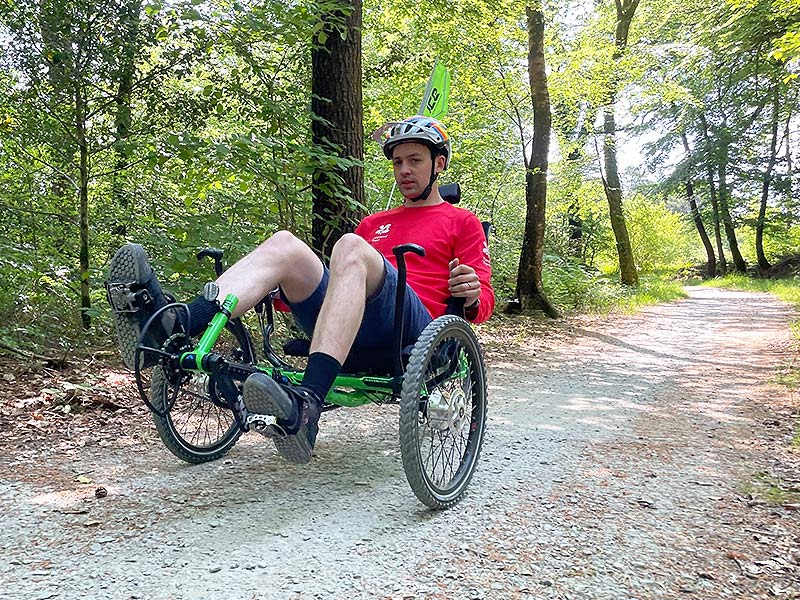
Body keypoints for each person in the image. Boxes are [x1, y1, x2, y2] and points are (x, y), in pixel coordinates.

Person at [107, 115, 494, 465]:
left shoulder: (462, 222)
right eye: (397, 162)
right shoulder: (375, 222)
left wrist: (473, 292)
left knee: (348, 246)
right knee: (284, 245)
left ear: (438, 164)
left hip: (412, 329)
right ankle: (176, 324)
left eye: (415, 160)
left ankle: (307, 404)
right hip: (353, 330)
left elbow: (483, 304)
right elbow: (341, 291)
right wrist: (279, 293)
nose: (404, 171)